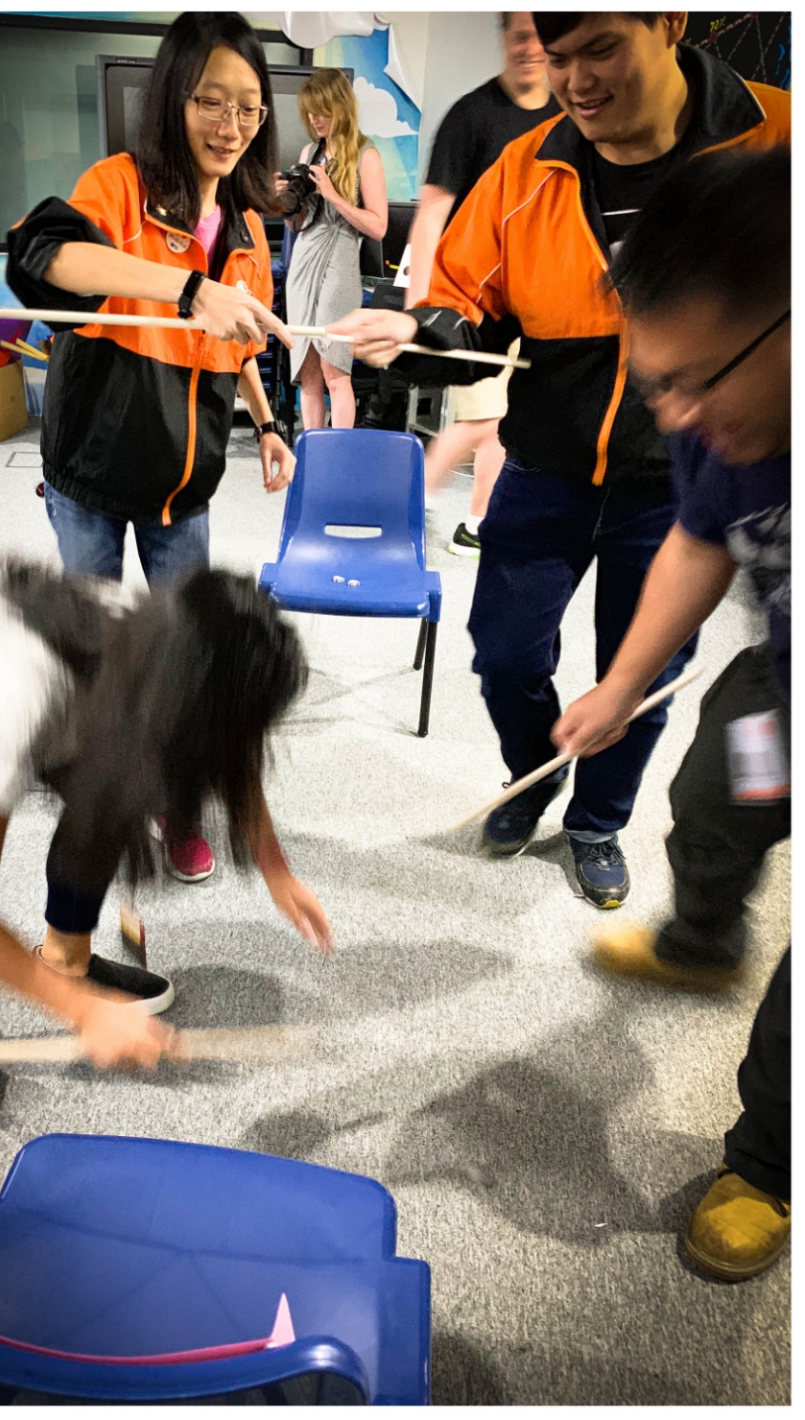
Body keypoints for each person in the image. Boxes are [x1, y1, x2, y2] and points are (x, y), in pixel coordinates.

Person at [331, 13, 789, 907]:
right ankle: (534, 775)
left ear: (669, 21)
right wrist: (423, 330)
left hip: (682, 477)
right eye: (559, 56)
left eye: (601, 49)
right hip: (546, 460)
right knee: (503, 652)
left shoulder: (775, 135)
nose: (574, 80)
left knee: (644, 673)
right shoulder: (527, 164)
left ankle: (596, 823)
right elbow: (465, 296)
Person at [551, 147, 789, 1281]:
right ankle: (703, 936)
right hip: (783, 682)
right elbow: (699, 538)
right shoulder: (711, 413)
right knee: (713, 793)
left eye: (699, 380)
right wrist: (617, 685)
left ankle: (770, 1162)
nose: (680, 416)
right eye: (660, 387)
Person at [0, 562, 332, 1147]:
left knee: (120, 786)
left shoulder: (168, 646)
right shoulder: (12, 694)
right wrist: (82, 1012)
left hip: (22, 683)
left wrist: (276, 869)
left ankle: (67, 954)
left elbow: (228, 747)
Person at [5, 12, 295, 882]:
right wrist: (184, 287)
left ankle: (177, 807)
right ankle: (100, 800)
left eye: (247, 108)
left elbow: (236, 340)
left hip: (186, 484)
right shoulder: (119, 185)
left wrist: (270, 424)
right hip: (92, 469)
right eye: (211, 100)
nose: (230, 125)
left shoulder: (247, 230)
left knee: (185, 663)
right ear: (174, 98)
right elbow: (45, 258)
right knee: (92, 654)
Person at [406, 13, 556, 556]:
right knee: (485, 418)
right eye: (520, 35)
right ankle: (417, 502)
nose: (531, 48)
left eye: (542, 36)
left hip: (542, 303)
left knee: (502, 424)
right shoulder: (471, 116)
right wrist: (419, 311)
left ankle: (474, 521)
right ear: (503, 39)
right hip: (475, 300)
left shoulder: (569, 115)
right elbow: (431, 215)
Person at [281, 68, 387, 430]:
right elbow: (299, 224)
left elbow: (378, 225)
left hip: (341, 262)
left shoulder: (366, 155)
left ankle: (338, 455)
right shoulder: (310, 152)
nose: (314, 119)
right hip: (303, 261)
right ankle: (313, 455)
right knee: (308, 375)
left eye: (321, 109)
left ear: (340, 107)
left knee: (334, 372)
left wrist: (332, 194)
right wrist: (287, 204)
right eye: (310, 111)